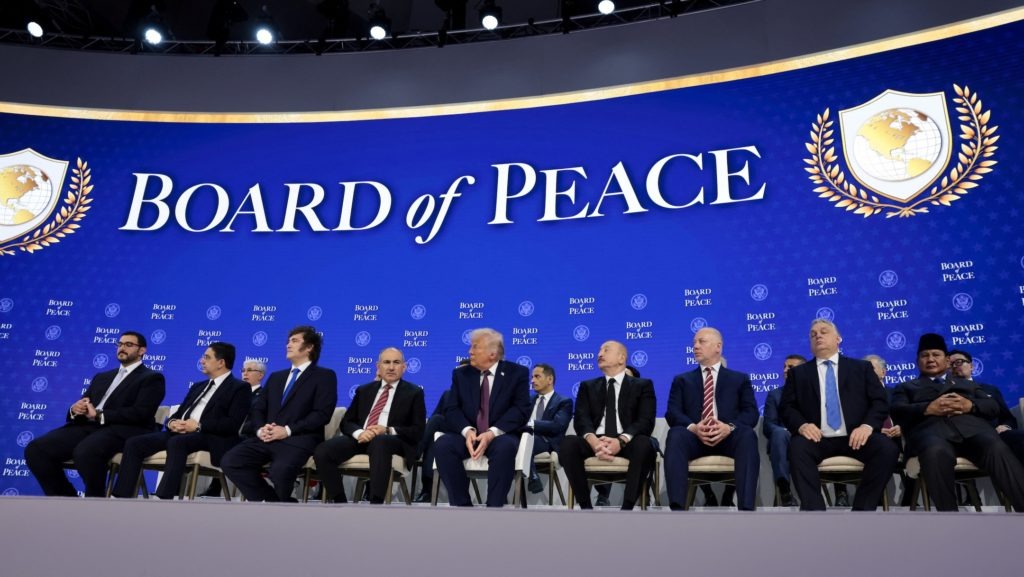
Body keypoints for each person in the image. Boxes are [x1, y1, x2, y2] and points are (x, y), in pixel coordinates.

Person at [891, 334, 1024, 511]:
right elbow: (897, 411)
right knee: (935, 452)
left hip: (973, 433)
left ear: (947, 361)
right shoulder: (906, 387)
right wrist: (927, 408)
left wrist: (971, 405)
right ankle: (950, 518)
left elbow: (993, 406)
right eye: (925, 355)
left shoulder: (966, 384)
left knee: (996, 447)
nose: (930, 359)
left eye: (936, 354)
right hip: (931, 435)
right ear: (917, 361)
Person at [25, 331, 166, 497]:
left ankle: (95, 501)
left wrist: (100, 415)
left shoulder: (151, 378)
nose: (122, 348)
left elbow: (141, 413)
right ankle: (66, 500)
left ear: (142, 350)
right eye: (120, 344)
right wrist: (75, 409)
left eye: (128, 345)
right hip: (88, 427)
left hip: (123, 429)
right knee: (36, 450)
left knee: (86, 452)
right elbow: (86, 402)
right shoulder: (102, 377)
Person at [779, 319, 898, 511]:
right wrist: (802, 425)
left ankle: (862, 510)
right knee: (797, 448)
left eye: (823, 331)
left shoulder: (861, 368)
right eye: (813, 334)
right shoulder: (798, 374)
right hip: (817, 438)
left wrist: (867, 426)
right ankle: (814, 512)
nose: (818, 336)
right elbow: (787, 408)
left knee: (887, 449)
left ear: (838, 338)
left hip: (856, 437)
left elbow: (880, 402)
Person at [110, 342, 249, 499]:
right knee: (135, 443)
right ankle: (120, 496)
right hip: (181, 433)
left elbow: (232, 424)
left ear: (221, 363)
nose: (202, 361)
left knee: (177, 443)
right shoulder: (198, 386)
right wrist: (172, 423)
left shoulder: (239, 388)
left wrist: (198, 426)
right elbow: (180, 413)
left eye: (207, 357)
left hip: (211, 437)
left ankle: (163, 497)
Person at [221, 326, 337, 502]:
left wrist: (287, 430)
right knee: (230, 461)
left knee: (280, 471)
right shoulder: (276, 377)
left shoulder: (324, 376)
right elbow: (258, 408)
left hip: (299, 439)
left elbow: (322, 414)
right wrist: (261, 429)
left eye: (294, 341)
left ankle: (279, 507)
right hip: (267, 437)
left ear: (309, 347)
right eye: (288, 341)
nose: (288, 345)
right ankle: (274, 502)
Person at [313, 347, 425, 504]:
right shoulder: (364, 390)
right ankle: (339, 501)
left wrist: (386, 430)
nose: (391, 367)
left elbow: (418, 430)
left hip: (393, 440)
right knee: (323, 451)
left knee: (380, 441)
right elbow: (347, 422)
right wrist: (360, 433)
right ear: (378, 366)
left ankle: (375, 503)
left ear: (404, 367)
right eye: (386, 362)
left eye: (396, 362)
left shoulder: (414, 392)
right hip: (362, 438)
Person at [664, 327, 759, 510]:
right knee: (675, 435)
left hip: (728, 437)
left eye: (702, 341)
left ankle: (747, 507)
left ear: (718, 347)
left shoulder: (739, 379)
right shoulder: (682, 380)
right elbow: (673, 412)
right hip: (695, 438)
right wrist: (693, 427)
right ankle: (677, 507)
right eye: (694, 343)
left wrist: (729, 427)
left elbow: (751, 413)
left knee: (747, 435)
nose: (695, 346)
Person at [434, 328, 530, 507]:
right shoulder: (461, 374)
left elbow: (521, 410)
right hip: (469, 436)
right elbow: (452, 409)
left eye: (475, 347)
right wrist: (467, 431)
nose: (470, 351)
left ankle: (494, 508)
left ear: (492, 354)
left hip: (500, 434)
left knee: (505, 448)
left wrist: (492, 433)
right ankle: (462, 506)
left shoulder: (517, 373)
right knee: (443, 445)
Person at [561, 340, 656, 510]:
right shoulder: (587, 386)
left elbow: (645, 421)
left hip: (627, 442)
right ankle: (585, 507)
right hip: (595, 441)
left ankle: (627, 508)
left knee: (644, 444)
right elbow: (581, 419)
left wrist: (620, 441)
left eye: (606, 350)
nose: (599, 354)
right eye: (599, 350)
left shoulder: (642, 385)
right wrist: (594, 442)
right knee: (568, 443)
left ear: (621, 358)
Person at [948, 349, 1024, 466]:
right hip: (969, 440)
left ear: (971, 366)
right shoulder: (946, 393)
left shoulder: (990, 390)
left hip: (999, 435)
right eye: (950, 364)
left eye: (959, 362)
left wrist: (1005, 426)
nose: (954, 366)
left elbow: (1008, 417)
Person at [762, 354, 805, 506]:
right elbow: (768, 425)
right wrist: (787, 431)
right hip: (783, 439)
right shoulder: (775, 394)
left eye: (790, 367)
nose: (785, 370)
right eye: (784, 367)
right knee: (779, 433)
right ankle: (784, 490)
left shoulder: (814, 392)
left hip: (809, 438)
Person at [524, 363, 572, 494]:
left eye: (537, 376)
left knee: (525, 440)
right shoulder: (528, 401)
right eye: (532, 377)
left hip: (548, 442)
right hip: (526, 438)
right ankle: (533, 476)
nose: (532, 381)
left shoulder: (564, 401)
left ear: (549, 379)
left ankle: (532, 477)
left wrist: (530, 424)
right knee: (512, 442)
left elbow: (557, 426)